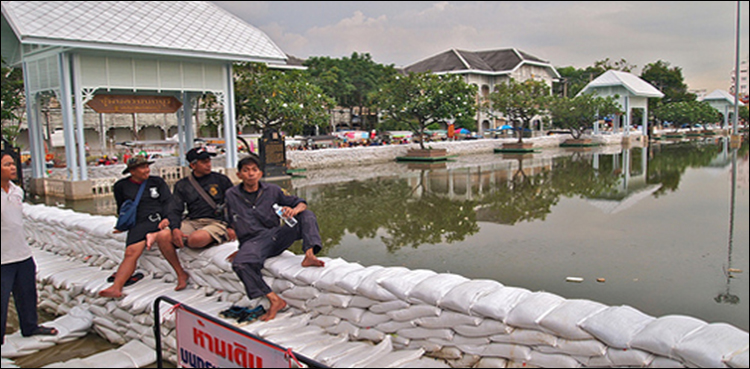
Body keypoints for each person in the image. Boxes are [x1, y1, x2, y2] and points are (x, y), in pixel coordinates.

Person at [225, 155, 325, 321]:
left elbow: (301, 203)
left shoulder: (272, 190)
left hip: (275, 235)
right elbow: (230, 221)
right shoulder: (231, 194)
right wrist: (242, 250)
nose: (251, 174)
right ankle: (275, 300)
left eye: (254, 170)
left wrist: (294, 211)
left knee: (306, 215)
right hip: (253, 241)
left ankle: (309, 254)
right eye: (246, 170)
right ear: (239, 175)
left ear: (260, 173)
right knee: (241, 264)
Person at [99, 156, 183, 298]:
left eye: (147, 166)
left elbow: (169, 203)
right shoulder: (121, 186)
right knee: (131, 252)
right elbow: (122, 208)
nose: (147, 170)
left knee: (163, 236)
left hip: (157, 220)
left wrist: (167, 219)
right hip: (139, 223)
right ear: (132, 171)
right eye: (142, 167)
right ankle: (116, 287)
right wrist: (123, 224)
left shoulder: (157, 182)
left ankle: (155, 237)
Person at [2, 150, 58, 344]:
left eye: (12, 164)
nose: (12, 167)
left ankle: (30, 327)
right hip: (2, 259)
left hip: (22, 254)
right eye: (7, 164)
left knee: (27, 294)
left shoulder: (18, 191)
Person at [168, 147, 235, 250]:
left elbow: (234, 204)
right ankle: (177, 266)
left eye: (209, 161)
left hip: (216, 222)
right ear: (193, 165)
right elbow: (175, 209)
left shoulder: (221, 180)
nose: (208, 165)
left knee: (195, 239)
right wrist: (175, 228)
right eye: (204, 162)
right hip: (193, 221)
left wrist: (232, 226)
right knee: (163, 236)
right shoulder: (182, 185)